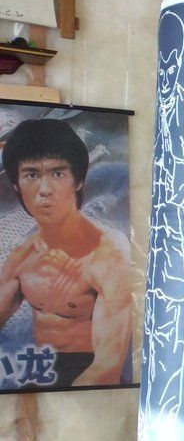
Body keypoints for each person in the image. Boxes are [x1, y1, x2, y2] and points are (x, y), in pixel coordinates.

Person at [0, 118, 132, 388]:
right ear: (16, 185)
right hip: (42, 378)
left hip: (93, 392)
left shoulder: (109, 253)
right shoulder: (23, 256)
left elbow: (107, 367)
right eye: (31, 174)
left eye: (57, 173)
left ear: (79, 180)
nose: (45, 190)